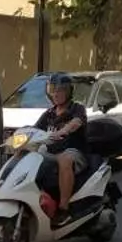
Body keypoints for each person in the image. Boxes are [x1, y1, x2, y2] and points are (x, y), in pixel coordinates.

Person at [34, 73, 89, 228]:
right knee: (30, 157)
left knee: (64, 160)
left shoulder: (77, 108)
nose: (56, 94)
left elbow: (77, 122)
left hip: (73, 152)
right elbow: (35, 130)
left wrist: (64, 130)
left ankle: (63, 209)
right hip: (51, 152)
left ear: (69, 92)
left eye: (60, 90)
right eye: (53, 90)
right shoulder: (49, 114)